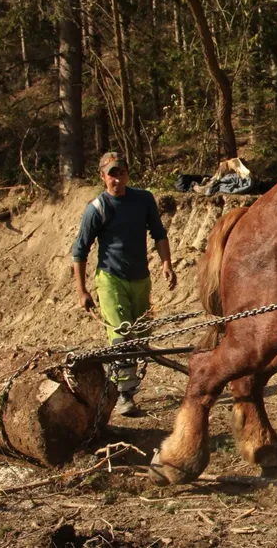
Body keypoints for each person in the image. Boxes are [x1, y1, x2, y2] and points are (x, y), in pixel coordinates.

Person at [71, 151, 178, 417]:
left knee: (141, 336)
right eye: (112, 174)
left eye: (122, 173)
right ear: (102, 176)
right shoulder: (96, 209)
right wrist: (81, 290)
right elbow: (80, 251)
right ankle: (124, 395)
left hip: (140, 278)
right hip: (110, 278)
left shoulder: (143, 200)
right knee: (121, 334)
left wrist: (167, 264)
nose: (117, 179)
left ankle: (122, 383)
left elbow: (159, 234)